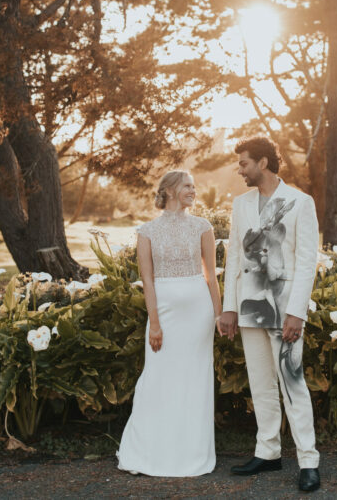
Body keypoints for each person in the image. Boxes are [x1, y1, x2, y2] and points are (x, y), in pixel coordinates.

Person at [218, 136, 321, 492]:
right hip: (248, 306)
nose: (240, 169)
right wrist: (228, 307)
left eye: (244, 163)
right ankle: (268, 451)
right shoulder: (241, 203)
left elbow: (307, 260)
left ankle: (308, 460)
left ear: (263, 163)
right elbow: (234, 257)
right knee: (261, 383)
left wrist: (297, 312)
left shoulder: (300, 202)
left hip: (284, 307)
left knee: (292, 384)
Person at [117, 170, 222, 476]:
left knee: (194, 379)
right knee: (158, 376)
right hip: (164, 312)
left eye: (194, 185)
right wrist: (155, 323)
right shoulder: (147, 231)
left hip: (199, 314)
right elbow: (147, 280)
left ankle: (192, 451)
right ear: (171, 190)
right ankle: (151, 449)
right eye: (188, 186)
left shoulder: (203, 227)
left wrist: (218, 315)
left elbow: (211, 276)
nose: (194, 190)